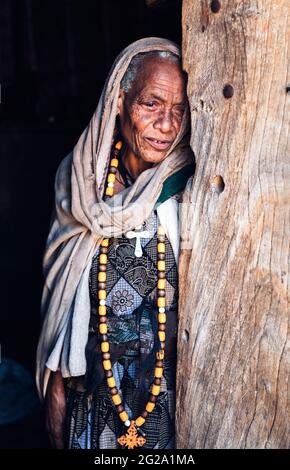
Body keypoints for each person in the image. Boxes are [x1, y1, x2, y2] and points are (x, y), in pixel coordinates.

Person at [36, 37, 194, 450]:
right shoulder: (81, 180)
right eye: (151, 104)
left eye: (179, 110)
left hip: (172, 399)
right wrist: (56, 384)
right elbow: (62, 294)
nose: (166, 125)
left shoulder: (192, 185)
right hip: (92, 396)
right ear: (119, 102)